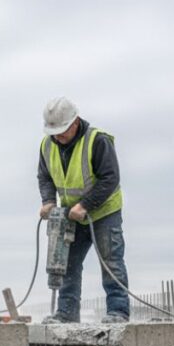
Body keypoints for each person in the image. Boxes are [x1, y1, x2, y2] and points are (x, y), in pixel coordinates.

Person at [37, 97, 129, 323]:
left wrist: (84, 205)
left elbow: (110, 178)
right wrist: (48, 200)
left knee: (111, 262)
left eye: (63, 131)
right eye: (54, 131)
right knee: (67, 264)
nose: (58, 136)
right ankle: (66, 314)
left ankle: (118, 312)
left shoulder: (97, 141)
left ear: (75, 121)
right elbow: (45, 176)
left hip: (104, 213)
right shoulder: (47, 145)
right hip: (72, 215)